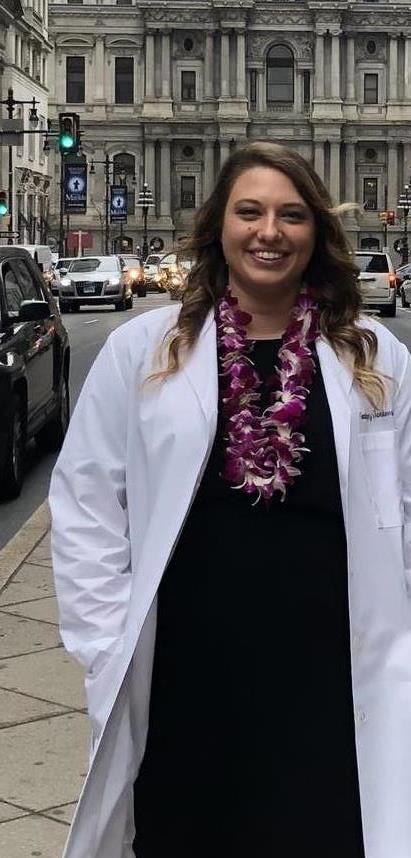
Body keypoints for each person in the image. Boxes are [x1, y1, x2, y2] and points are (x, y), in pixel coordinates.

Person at [50, 141, 411, 858]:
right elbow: (87, 503)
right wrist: (103, 644)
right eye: (249, 212)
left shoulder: (374, 355)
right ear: (220, 225)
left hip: (332, 668)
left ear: (315, 233)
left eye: (291, 215)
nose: (268, 232)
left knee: (328, 829)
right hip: (189, 666)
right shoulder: (144, 350)